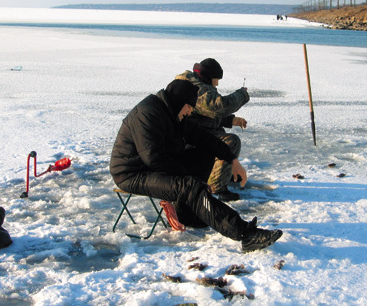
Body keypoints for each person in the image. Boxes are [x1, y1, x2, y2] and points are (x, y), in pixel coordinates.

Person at [109, 79, 282, 253]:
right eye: (189, 106)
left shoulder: (173, 112)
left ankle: (188, 213)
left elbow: (202, 137)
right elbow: (153, 158)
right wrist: (188, 178)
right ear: (180, 102)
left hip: (154, 165)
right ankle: (245, 234)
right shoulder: (148, 113)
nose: (190, 110)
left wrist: (232, 159)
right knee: (190, 186)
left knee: (204, 153)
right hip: (132, 173)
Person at [176, 58, 249, 202]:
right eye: (216, 79)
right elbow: (217, 106)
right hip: (188, 140)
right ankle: (217, 187)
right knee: (229, 142)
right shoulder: (195, 88)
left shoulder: (195, 84)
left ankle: (224, 175)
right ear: (208, 76)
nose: (217, 84)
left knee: (222, 138)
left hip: (195, 133)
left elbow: (204, 114)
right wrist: (241, 94)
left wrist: (231, 120)